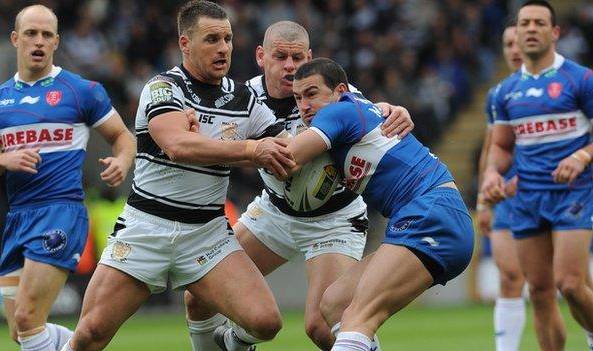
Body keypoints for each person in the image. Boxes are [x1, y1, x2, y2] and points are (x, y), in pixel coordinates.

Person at [60, 1, 296, 350]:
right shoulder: (163, 87)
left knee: (265, 322)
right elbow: (177, 145)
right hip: (147, 228)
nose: (223, 48)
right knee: (90, 334)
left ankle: (226, 345)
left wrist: (358, 121)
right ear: (185, 44)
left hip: (207, 234)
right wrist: (250, 149)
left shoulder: (244, 98)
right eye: (212, 39)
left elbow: (289, 147)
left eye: (228, 39)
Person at [182, 20, 414, 351]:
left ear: (310, 57)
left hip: (333, 219)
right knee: (199, 295)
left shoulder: (330, 92)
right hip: (274, 212)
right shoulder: (241, 99)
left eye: (298, 58)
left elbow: (369, 112)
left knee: (322, 326)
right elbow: (211, 143)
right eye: (280, 57)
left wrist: (393, 109)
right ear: (261, 57)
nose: (290, 67)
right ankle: (233, 342)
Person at [0, 5, 136, 351]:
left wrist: (122, 160)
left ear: (57, 41)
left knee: (29, 319)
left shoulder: (82, 91)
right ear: (16, 39)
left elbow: (124, 137)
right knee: (20, 329)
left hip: (61, 212)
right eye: (31, 33)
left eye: (47, 34)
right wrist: (6, 159)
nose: (39, 41)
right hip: (18, 218)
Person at [285, 57, 474, 351]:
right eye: (298, 98)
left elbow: (288, 158)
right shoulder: (357, 108)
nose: (304, 105)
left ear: (339, 91)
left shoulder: (336, 113)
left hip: (429, 211)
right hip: (433, 213)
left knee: (358, 317)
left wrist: (240, 146)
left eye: (311, 94)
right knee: (335, 303)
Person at [482, 1, 593, 350]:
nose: (530, 28)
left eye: (539, 23)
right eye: (525, 22)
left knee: (571, 283)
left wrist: (582, 155)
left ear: (554, 32)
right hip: (528, 197)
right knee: (541, 293)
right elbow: (501, 147)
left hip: (574, 192)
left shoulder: (581, 79)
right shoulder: (504, 93)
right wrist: (490, 175)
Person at [476, 22, 526, 351]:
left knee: (572, 281)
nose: (514, 49)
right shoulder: (499, 95)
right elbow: (490, 148)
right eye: (508, 43)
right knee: (509, 277)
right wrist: (483, 200)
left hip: (556, 194)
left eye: (519, 41)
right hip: (508, 198)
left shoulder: (565, 88)